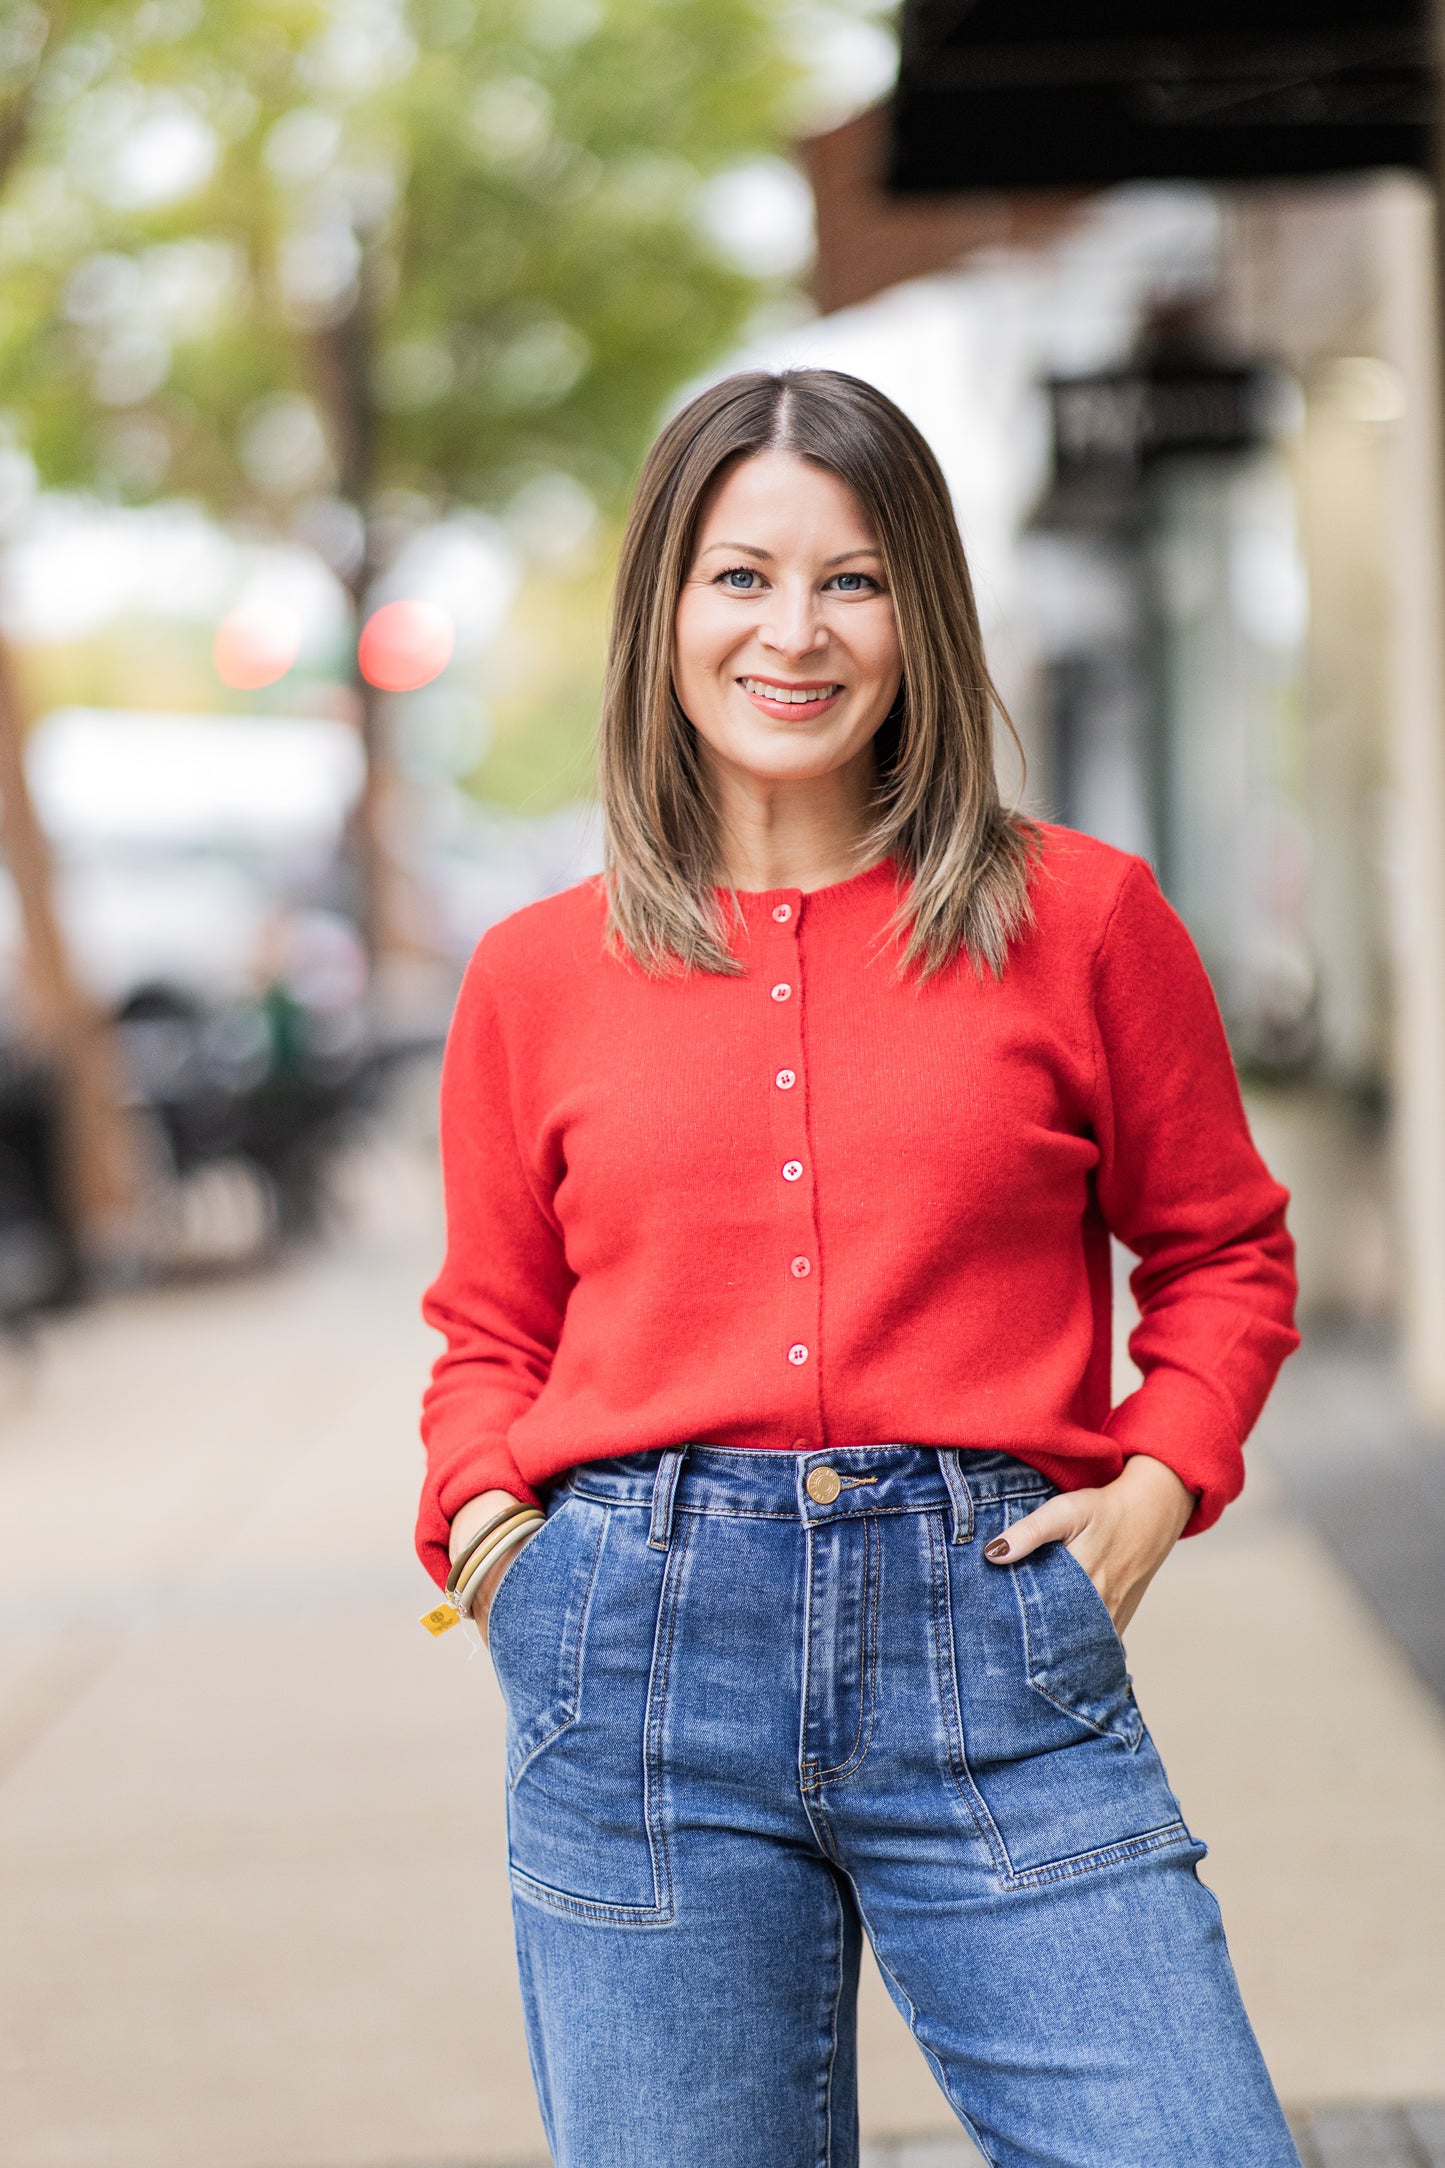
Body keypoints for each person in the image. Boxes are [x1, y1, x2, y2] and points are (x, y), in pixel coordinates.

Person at [417, 368, 1302, 2168]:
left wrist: (1156, 1483)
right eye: (741, 577)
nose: (794, 632)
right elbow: (490, 1330)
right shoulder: (531, 975)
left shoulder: (1083, 920)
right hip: (632, 1673)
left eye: (853, 580)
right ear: (665, 611)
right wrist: (498, 1547)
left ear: (922, 614)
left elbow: (1222, 1246)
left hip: (994, 1651)